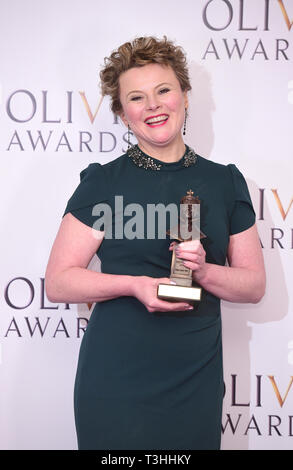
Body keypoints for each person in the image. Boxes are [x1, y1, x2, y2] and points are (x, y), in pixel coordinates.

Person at [45, 36, 266, 450]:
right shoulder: (104, 182)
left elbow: (253, 286)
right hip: (116, 380)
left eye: (163, 90)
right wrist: (134, 285)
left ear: (184, 95)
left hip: (194, 377)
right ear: (123, 114)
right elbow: (59, 282)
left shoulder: (224, 181)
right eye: (136, 97)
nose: (153, 105)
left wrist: (204, 271)